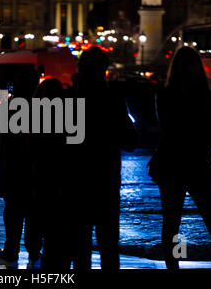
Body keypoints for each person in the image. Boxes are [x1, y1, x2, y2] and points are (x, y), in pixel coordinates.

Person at [149, 46, 211, 270]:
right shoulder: (204, 95)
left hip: (177, 163)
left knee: (177, 225)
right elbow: (206, 129)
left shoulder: (166, 95)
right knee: (210, 225)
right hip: (194, 163)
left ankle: (174, 265)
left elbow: (172, 128)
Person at [69, 46, 138, 270]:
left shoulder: (71, 99)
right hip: (106, 178)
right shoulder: (113, 99)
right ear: (104, 71)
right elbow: (131, 141)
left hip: (78, 180)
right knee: (109, 245)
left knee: (80, 246)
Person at [0, 67, 42, 262]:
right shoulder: (43, 106)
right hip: (33, 166)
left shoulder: (9, 105)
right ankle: (33, 249)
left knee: (13, 210)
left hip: (12, 166)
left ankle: (12, 248)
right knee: (34, 211)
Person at [31, 78, 71, 268]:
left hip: (43, 173)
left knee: (44, 217)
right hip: (61, 173)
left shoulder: (35, 115)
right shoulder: (67, 113)